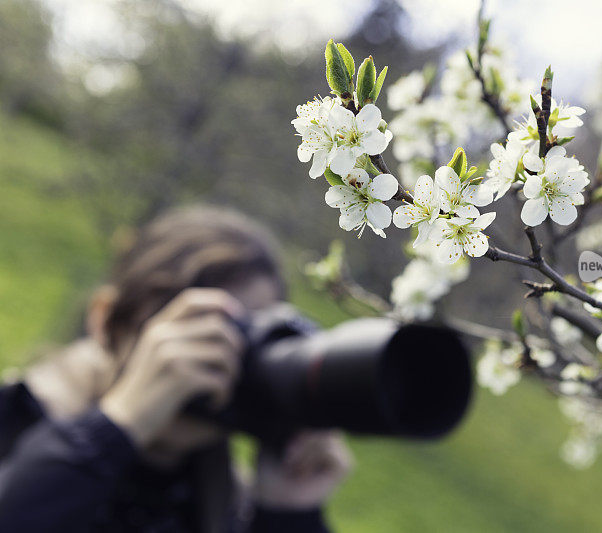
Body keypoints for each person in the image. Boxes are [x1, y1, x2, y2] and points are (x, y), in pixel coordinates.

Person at [0, 205, 353, 532]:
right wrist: (121, 423)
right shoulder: (13, 421)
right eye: (199, 331)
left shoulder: (224, 499)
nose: (217, 361)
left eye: (246, 341)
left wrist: (288, 515)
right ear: (106, 321)